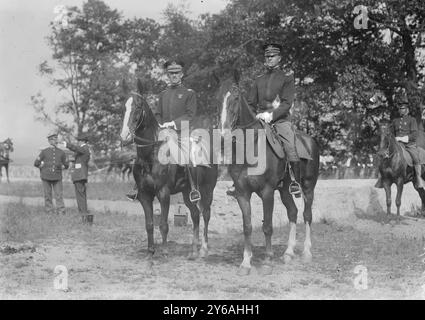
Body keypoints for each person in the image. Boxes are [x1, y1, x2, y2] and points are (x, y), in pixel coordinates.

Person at [226, 41, 301, 197]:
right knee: (240, 141)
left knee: (289, 145)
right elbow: (252, 103)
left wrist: (271, 115)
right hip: (259, 120)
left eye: (272, 56)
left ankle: (294, 181)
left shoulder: (286, 78)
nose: (269, 59)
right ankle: (237, 181)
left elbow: (287, 103)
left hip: (280, 120)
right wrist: (253, 116)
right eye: (267, 56)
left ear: (279, 58)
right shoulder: (259, 79)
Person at [126, 60, 197, 201]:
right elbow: (157, 114)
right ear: (168, 75)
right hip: (163, 132)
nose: (174, 75)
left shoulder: (189, 93)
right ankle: (138, 186)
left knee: (190, 155)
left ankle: (193, 188)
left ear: (181, 74)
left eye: (177, 73)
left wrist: (172, 124)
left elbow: (190, 114)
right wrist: (159, 125)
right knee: (145, 155)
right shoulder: (163, 94)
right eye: (171, 73)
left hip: (181, 132)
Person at [376, 96, 425, 189]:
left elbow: (414, 134)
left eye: (403, 109)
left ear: (407, 110)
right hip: (397, 145)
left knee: (415, 157)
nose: (401, 110)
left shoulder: (412, 120)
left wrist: (402, 138)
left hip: (409, 145)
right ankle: (381, 178)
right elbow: (391, 134)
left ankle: (418, 178)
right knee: (383, 155)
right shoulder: (395, 121)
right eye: (400, 109)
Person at [34, 132, 69, 214]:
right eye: (53, 139)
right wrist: (42, 167)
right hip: (46, 176)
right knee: (47, 195)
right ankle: (49, 211)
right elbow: (36, 163)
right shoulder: (44, 152)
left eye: (56, 138)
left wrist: (61, 167)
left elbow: (66, 165)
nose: (56, 140)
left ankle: (61, 211)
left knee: (59, 195)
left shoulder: (61, 152)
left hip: (57, 177)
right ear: (49, 141)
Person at [62, 132, 92, 223]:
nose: (77, 142)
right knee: (80, 196)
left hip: (80, 175)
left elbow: (76, 148)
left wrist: (67, 144)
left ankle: (84, 214)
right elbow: (75, 155)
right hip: (78, 176)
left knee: (80, 196)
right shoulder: (83, 149)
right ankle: (83, 213)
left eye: (78, 140)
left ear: (82, 141)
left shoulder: (84, 147)